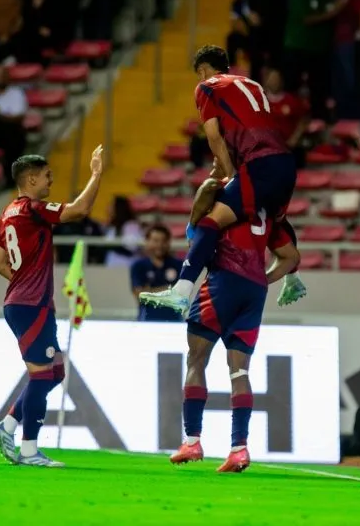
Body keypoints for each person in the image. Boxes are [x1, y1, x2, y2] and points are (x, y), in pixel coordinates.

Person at [140, 46, 297, 316]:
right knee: (278, 220)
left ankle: (182, 291)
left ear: (203, 71)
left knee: (210, 222)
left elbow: (213, 136)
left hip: (259, 164)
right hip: (286, 164)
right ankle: (293, 277)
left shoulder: (207, 87)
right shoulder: (252, 85)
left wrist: (231, 174)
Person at [168, 177, 303, 473]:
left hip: (223, 282)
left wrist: (208, 190)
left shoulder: (229, 198)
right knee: (240, 371)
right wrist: (263, 279)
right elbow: (291, 256)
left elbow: (206, 193)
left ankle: (192, 441)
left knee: (196, 360)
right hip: (253, 292)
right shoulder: (266, 210)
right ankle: (239, 449)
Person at [0, 148, 104, 468]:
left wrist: (24, 279)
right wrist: (96, 173)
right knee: (41, 375)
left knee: (54, 372)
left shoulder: (7, 213)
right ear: (31, 179)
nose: (51, 181)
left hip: (22, 302)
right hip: (31, 305)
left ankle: (7, 426)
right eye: (47, 176)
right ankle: (28, 450)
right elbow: (79, 210)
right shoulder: (32, 209)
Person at [130, 225, 182, 322]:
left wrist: (149, 291)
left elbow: (181, 293)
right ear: (147, 241)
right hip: (147, 322)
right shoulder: (139, 266)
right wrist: (168, 289)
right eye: (155, 241)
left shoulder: (179, 265)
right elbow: (140, 296)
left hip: (174, 322)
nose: (159, 245)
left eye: (163, 241)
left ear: (169, 242)